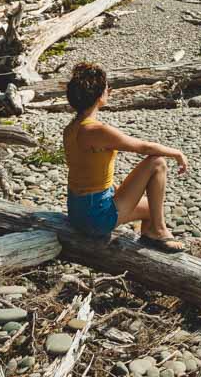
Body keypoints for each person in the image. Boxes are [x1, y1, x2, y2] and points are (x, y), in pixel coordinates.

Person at [62, 61, 189, 251]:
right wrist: (177, 153)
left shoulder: (71, 128)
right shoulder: (96, 130)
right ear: (100, 95)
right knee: (157, 162)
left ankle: (150, 237)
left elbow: (87, 170)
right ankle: (160, 231)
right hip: (95, 218)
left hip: (77, 211)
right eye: (107, 88)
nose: (109, 91)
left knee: (152, 209)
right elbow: (145, 148)